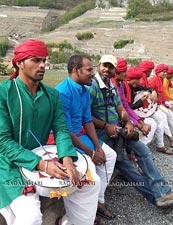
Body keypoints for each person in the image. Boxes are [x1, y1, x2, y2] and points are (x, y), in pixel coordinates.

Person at [0, 39, 100, 225]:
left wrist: (67, 159)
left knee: (92, 183)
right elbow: (2, 141)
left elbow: (61, 129)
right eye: (35, 60)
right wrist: (42, 165)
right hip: (10, 164)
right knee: (30, 217)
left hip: (45, 154)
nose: (42, 65)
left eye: (44, 60)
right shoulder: (0, 93)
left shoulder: (52, 95)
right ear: (19, 63)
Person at [89, 54, 173, 210]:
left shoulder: (113, 87)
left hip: (120, 131)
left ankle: (163, 193)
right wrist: (105, 126)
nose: (107, 70)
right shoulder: (93, 86)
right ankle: (158, 198)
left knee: (143, 151)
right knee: (128, 167)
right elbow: (85, 115)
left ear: (115, 70)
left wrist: (129, 122)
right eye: (105, 66)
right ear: (99, 65)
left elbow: (121, 108)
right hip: (103, 136)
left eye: (111, 67)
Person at [55, 54, 117, 223]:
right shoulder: (62, 93)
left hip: (81, 136)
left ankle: (98, 202)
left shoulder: (83, 89)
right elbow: (65, 131)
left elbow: (87, 120)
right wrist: (91, 153)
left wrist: (97, 147)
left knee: (110, 155)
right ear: (76, 70)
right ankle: (72, 218)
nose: (92, 73)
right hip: (67, 140)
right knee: (91, 177)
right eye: (89, 69)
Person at [123, 66, 173, 153]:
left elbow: (147, 88)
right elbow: (126, 108)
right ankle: (140, 150)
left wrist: (153, 91)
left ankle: (161, 145)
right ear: (129, 79)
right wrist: (140, 103)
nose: (139, 82)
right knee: (152, 124)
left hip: (140, 111)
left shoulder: (134, 86)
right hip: (131, 114)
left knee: (161, 120)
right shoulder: (124, 88)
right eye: (137, 79)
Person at [110, 58, 156, 146]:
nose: (126, 74)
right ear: (117, 72)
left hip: (127, 117)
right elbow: (123, 109)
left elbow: (126, 106)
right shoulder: (120, 86)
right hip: (117, 121)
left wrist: (140, 122)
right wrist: (139, 125)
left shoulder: (121, 85)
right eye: (124, 71)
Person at [148, 64, 173, 146]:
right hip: (153, 105)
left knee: (169, 114)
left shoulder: (161, 80)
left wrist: (164, 102)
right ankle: (171, 139)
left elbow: (161, 95)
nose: (165, 74)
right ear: (158, 72)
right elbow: (150, 96)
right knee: (164, 117)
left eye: (166, 72)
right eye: (164, 72)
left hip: (160, 103)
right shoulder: (153, 80)